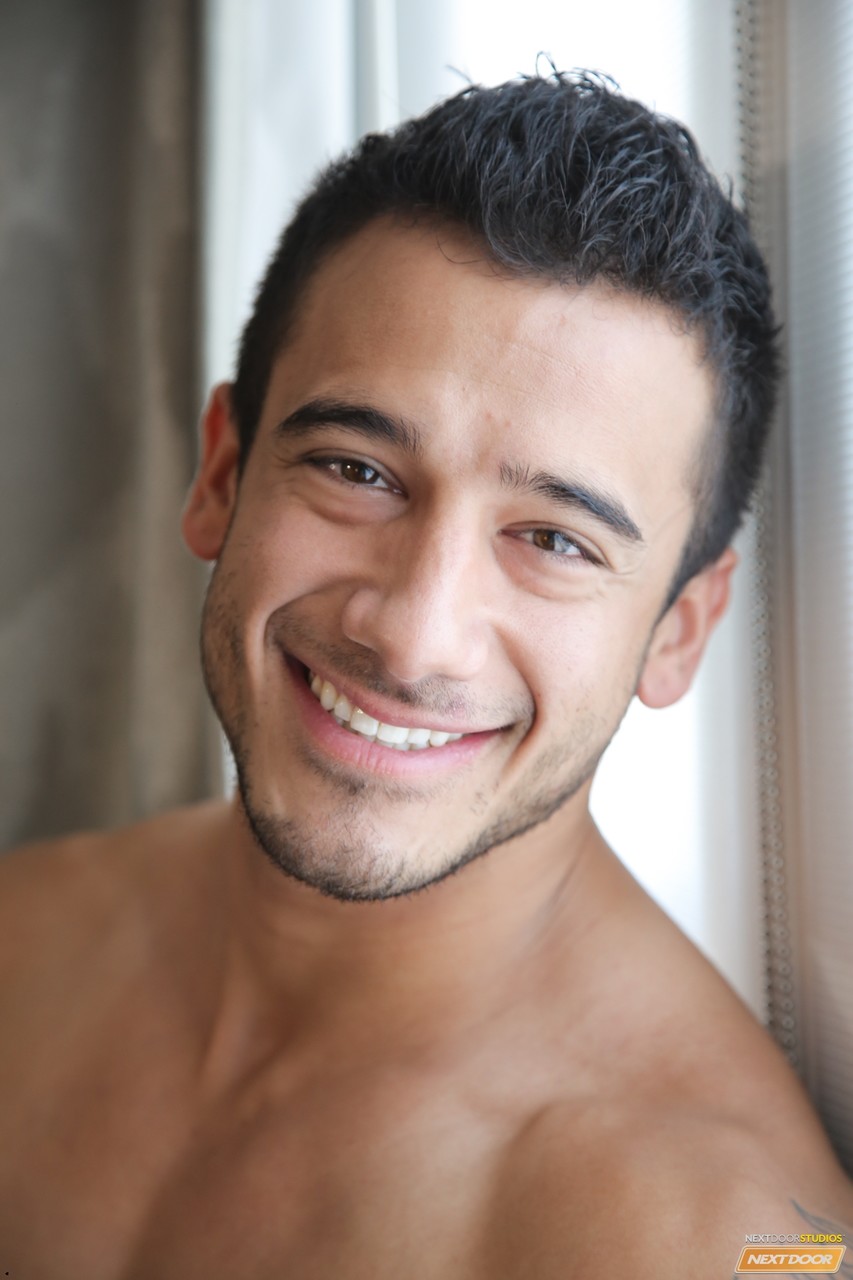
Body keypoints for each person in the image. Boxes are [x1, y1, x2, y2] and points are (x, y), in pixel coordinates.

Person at [1, 70, 850, 1279]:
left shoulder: (719, 1238)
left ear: (677, 628)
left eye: (553, 540)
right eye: (356, 471)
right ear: (222, 474)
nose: (413, 633)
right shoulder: (22, 941)